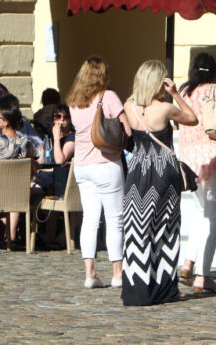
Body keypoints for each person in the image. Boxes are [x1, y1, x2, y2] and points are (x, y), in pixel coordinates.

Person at [122, 60, 197, 306]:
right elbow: (192, 118)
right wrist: (176, 93)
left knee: (137, 229)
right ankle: (165, 289)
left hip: (137, 169)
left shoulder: (129, 105)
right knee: (165, 229)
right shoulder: (165, 108)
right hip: (164, 170)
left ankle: (137, 289)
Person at [67, 56, 131, 289]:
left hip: (82, 166)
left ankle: (90, 273)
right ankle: (117, 273)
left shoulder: (74, 101)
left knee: (90, 220)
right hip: (106, 163)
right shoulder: (108, 96)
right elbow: (127, 129)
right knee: (115, 219)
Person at [178, 53, 216, 294]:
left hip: (189, 160)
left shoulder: (183, 92)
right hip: (215, 156)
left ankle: (189, 262)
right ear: (214, 72)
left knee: (200, 213)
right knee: (214, 217)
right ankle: (203, 275)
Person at [0, 105, 32, 246]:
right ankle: (10, 236)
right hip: (16, 195)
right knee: (25, 191)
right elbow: (31, 172)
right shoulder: (27, 144)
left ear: (6, 122)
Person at [33, 104, 76, 248]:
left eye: (65, 117)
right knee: (35, 190)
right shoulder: (50, 138)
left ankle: (50, 235)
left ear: (70, 120)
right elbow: (41, 161)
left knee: (47, 190)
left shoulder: (71, 138)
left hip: (65, 184)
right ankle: (40, 233)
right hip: (51, 179)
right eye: (58, 117)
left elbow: (60, 160)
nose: (61, 120)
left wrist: (57, 138)